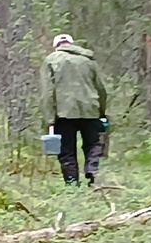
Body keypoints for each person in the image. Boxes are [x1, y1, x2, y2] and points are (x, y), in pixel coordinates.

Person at [40, 33, 108, 185]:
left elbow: (47, 93)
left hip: (63, 114)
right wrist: (102, 112)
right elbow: (101, 89)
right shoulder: (88, 60)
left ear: (56, 45)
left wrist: (49, 119)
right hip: (90, 110)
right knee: (93, 144)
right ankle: (92, 170)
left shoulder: (50, 60)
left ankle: (72, 184)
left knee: (66, 151)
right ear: (71, 44)